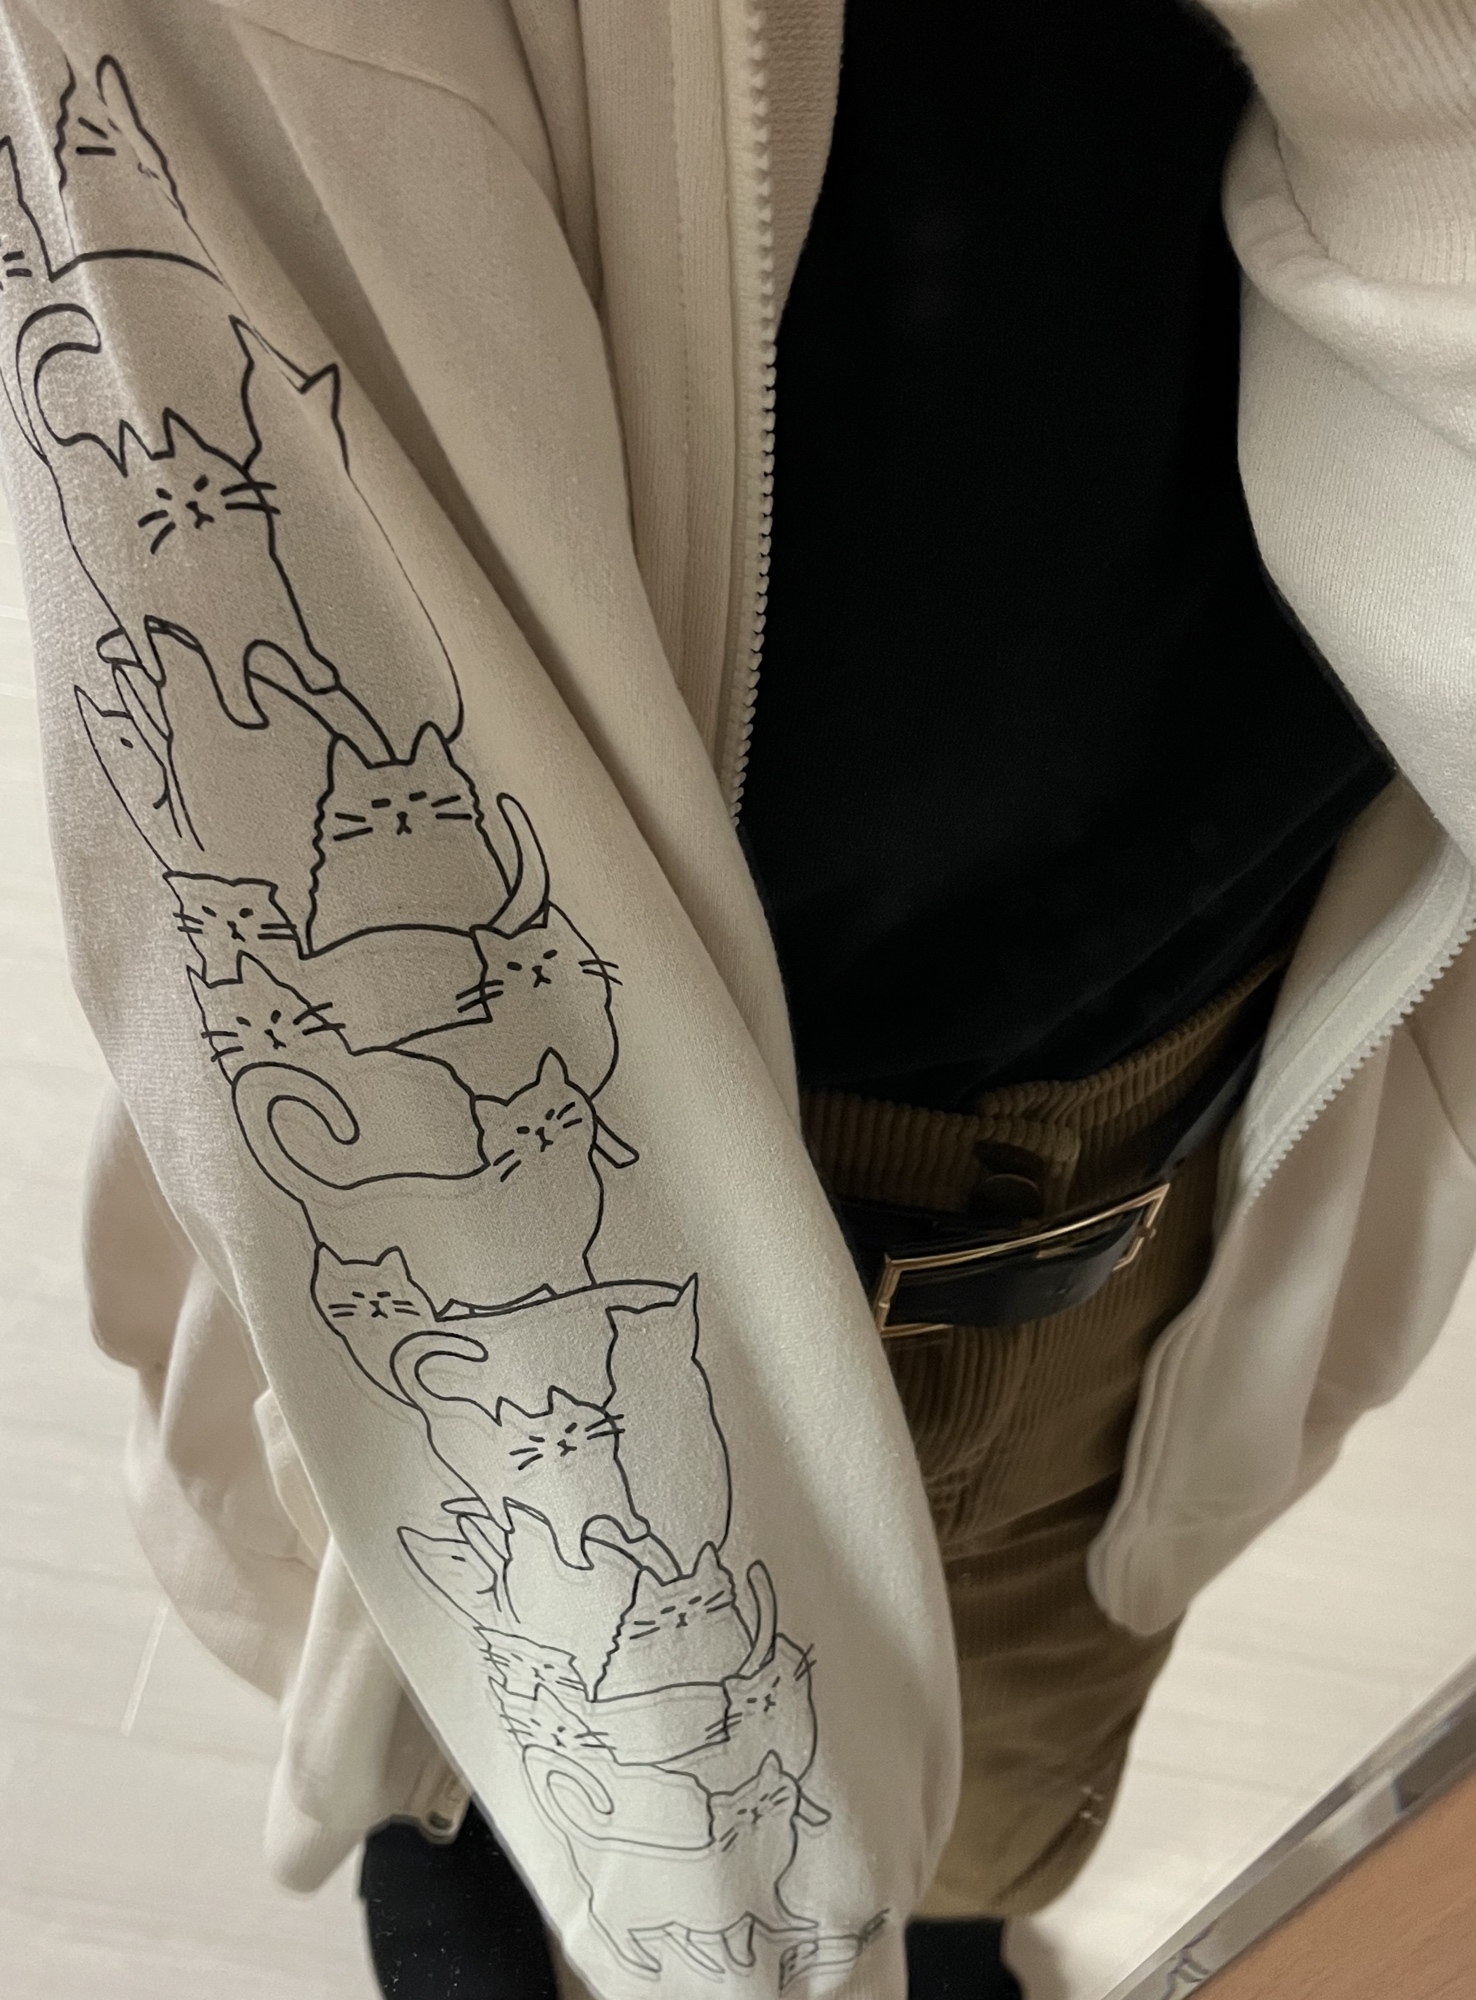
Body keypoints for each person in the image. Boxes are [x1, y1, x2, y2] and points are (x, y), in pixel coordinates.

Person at [3, 3, 1474, 1998]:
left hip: (1198, 1102)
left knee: (1028, 1690)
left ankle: (921, 1901)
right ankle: (501, 1859)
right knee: (521, 1687)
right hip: (572, 1149)